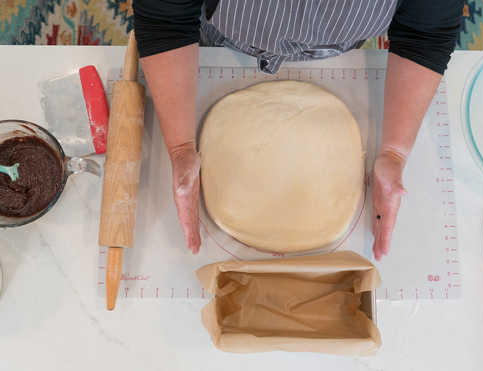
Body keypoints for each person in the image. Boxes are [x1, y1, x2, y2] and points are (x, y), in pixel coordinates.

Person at [132, 0, 464, 261]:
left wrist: (396, 149)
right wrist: (179, 146)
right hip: (226, 39)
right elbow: (167, 20)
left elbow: (424, 33)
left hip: (341, 45)